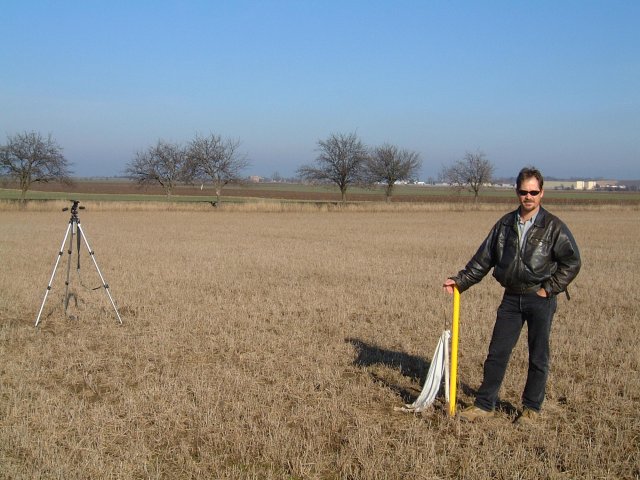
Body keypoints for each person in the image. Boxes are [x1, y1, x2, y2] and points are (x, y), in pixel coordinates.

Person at [443, 167, 581, 424]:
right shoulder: (504, 225)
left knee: (537, 355)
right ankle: (484, 405)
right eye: (523, 191)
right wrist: (460, 281)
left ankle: (531, 408)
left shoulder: (553, 227)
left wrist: (548, 289)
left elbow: (572, 262)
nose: (528, 196)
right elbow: (482, 261)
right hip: (510, 299)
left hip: (540, 299)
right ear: (516, 192)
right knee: (497, 352)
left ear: (541, 193)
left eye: (533, 192)